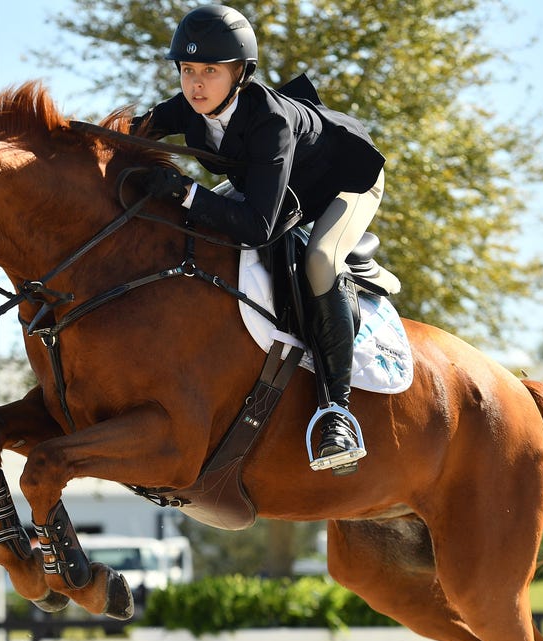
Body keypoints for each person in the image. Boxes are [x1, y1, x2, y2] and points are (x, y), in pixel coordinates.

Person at [132, 5, 386, 474]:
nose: (196, 84)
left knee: (320, 262)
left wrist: (188, 192)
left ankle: (338, 412)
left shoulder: (271, 121)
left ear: (241, 74)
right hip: (277, 188)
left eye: (210, 71)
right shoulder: (187, 108)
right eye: (188, 70)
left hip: (344, 181)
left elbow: (257, 227)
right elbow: (127, 134)